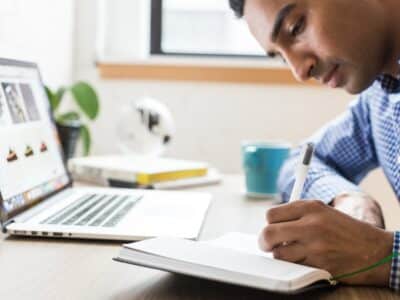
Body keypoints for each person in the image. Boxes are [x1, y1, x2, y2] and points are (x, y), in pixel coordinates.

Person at [229, 0, 400, 289]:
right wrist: (349, 199)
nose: (299, 71)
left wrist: (382, 253)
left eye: (296, 27)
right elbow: (299, 161)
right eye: (282, 57)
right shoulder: (379, 99)